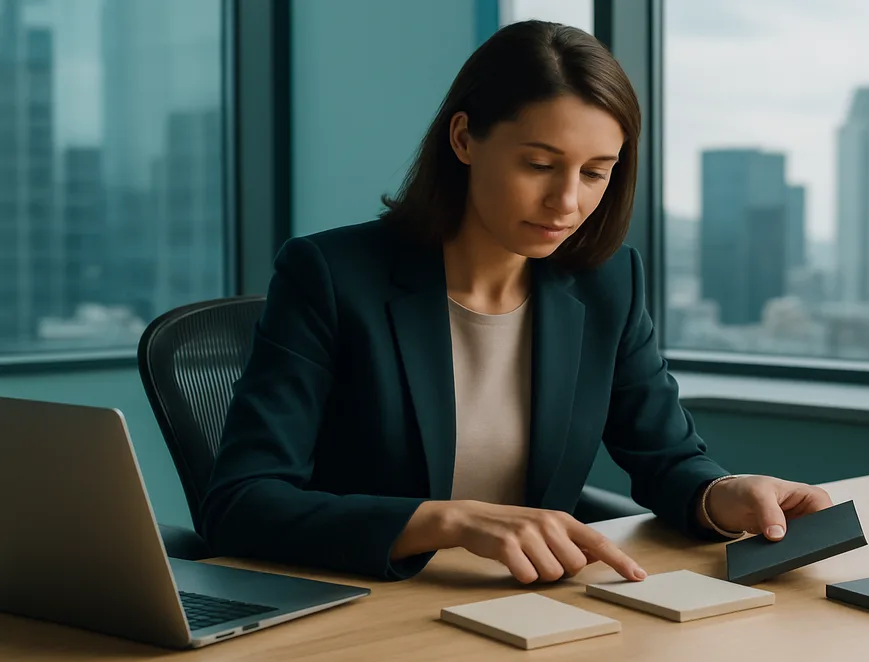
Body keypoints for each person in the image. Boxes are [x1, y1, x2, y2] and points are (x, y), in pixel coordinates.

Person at [200, 20, 832, 585]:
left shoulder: (608, 281)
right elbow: (241, 501)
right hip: (364, 608)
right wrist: (446, 521)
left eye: (594, 172)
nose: (567, 202)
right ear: (465, 139)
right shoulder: (332, 276)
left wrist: (725, 493)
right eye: (538, 164)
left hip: (522, 609)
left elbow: (666, 459)